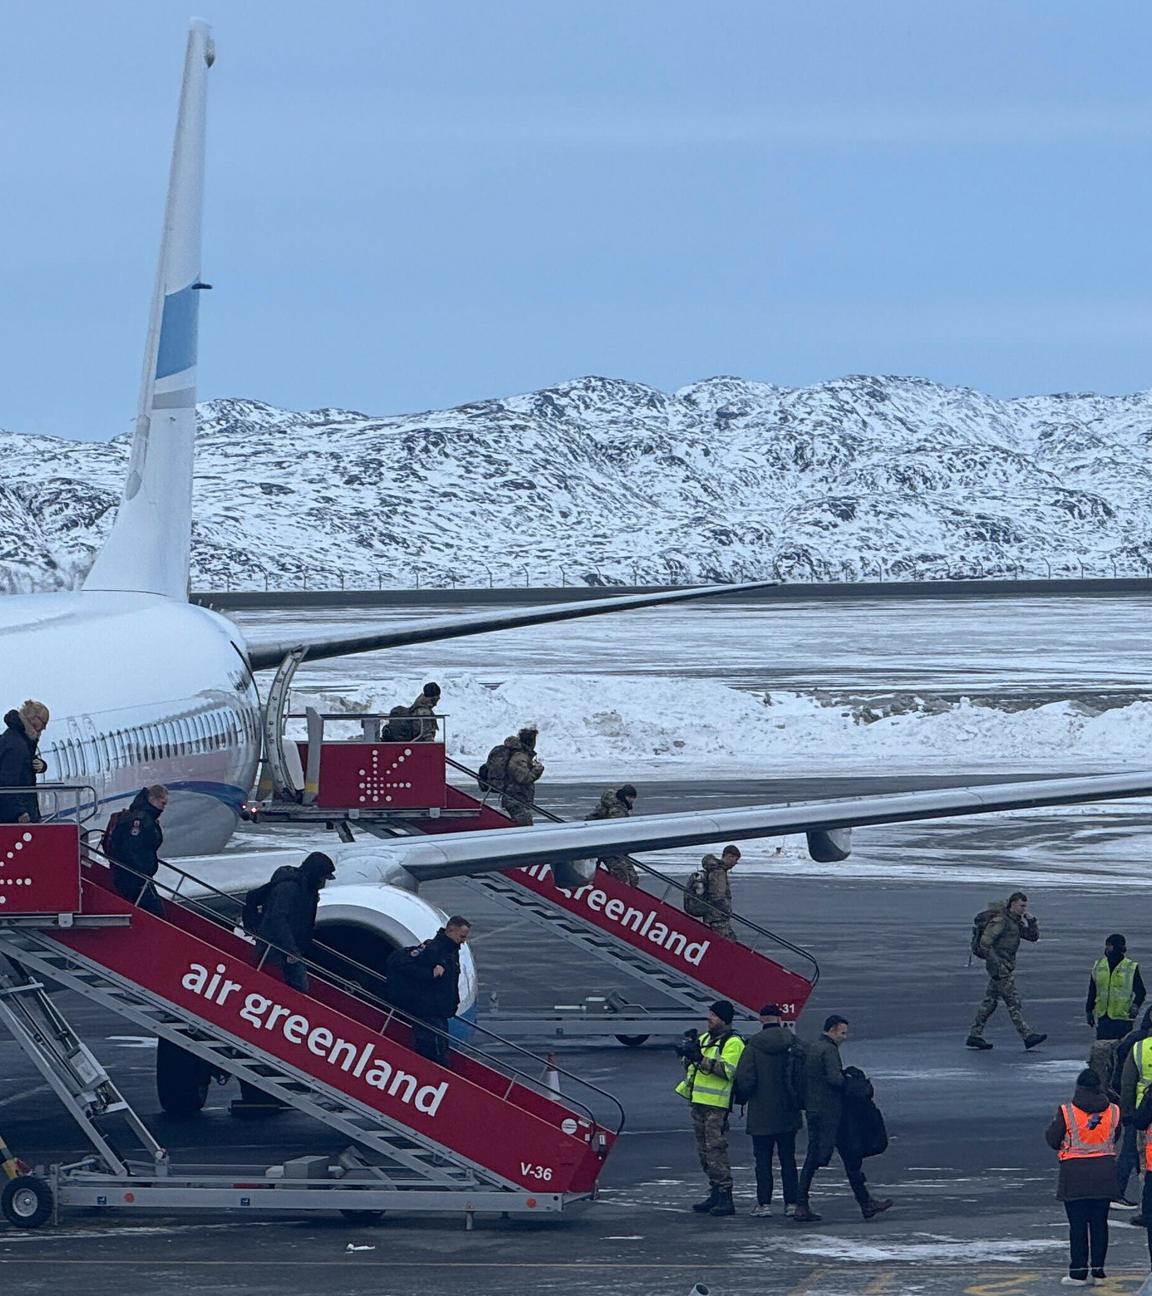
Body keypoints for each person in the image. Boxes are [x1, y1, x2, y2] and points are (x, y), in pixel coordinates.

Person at [794, 1015, 892, 1223]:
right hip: (830, 1112)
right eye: (842, 1033)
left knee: (838, 1155)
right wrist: (853, 1084)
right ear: (831, 1030)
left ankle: (865, 1202)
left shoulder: (813, 1047)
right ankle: (802, 1203)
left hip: (815, 1109)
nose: (844, 1037)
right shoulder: (828, 1050)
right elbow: (834, 1079)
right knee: (826, 1156)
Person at [1045, 1068, 1121, 1286]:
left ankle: (1078, 1273)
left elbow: (1052, 1139)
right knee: (1100, 1224)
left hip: (1074, 1175)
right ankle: (1098, 1272)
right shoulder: (1113, 1110)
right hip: (1104, 1174)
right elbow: (1115, 1134)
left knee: (1078, 1226)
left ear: (1079, 1087)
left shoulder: (1067, 1111)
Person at [675, 999, 745, 1218]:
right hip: (699, 1102)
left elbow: (728, 1071)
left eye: (713, 1015)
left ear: (724, 1019)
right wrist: (686, 1053)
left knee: (716, 1149)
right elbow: (692, 1067)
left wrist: (699, 1057)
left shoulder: (733, 1043)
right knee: (704, 1151)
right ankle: (715, 1190)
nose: (709, 1019)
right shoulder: (705, 1039)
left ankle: (725, 1194)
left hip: (717, 1105)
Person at [733, 1003, 802, 1217]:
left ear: (761, 1019)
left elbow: (745, 1078)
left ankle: (764, 1204)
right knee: (788, 1159)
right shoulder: (793, 1042)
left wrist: (742, 1097)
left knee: (763, 1160)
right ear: (780, 1019)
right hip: (788, 1111)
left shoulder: (754, 1045)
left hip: (761, 1112)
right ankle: (792, 1203)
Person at [966, 891, 1047, 1052]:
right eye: (1021, 906)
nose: (1024, 909)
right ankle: (1027, 1035)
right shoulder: (1001, 921)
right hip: (1000, 968)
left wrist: (1032, 921)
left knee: (990, 1002)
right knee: (1013, 1002)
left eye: (1025, 906)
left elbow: (1032, 937)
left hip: (1004, 966)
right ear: (1013, 904)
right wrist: (996, 965)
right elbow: (985, 944)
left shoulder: (1015, 922)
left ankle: (975, 1035)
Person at [386, 916, 471, 1066]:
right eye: (462, 936)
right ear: (451, 930)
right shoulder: (433, 949)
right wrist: (429, 974)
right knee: (433, 1054)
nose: (463, 941)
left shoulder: (451, 951)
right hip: (429, 1011)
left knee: (441, 1051)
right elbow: (403, 965)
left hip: (440, 1012)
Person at [245, 852, 336, 992]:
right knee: (294, 987)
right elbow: (278, 919)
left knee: (289, 986)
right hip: (277, 948)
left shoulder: (305, 888)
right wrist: (291, 950)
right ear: (316, 874)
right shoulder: (290, 888)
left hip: (287, 948)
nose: (323, 883)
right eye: (323, 878)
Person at [106, 785, 169, 917]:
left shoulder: (145, 818)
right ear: (152, 799)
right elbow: (131, 848)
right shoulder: (140, 820)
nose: (163, 808)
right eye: (162, 803)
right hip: (134, 877)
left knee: (154, 909)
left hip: (135, 876)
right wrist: (141, 872)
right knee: (157, 912)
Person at [1120, 1007, 1152, 1218]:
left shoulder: (1139, 1048)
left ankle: (1146, 1210)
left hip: (1144, 1115)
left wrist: (1126, 1114)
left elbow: (1128, 1084)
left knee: (1144, 1164)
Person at [1087, 934, 1145, 1042]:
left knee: (1121, 1048)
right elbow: (1093, 991)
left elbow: (1141, 992)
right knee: (1103, 1048)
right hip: (1104, 1018)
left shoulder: (1130, 967)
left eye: (1109, 945)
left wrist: (1135, 1006)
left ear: (1117, 947)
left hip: (1122, 1018)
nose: (1107, 948)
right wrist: (1089, 1011)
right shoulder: (1099, 965)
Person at [0, 700, 48, 824]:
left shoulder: (20, 738)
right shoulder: (16, 745)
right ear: (33, 718)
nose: (44, 728)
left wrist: (41, 765)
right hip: (13, 816)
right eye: (43, 723)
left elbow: (23, 764)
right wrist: (19, 812)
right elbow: (7, 781)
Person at [587, 784, 638, 886]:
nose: (632, 801)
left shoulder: (611, 804)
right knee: (624, 876)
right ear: (626, 797)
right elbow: (615, 831)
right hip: (606, 845)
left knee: (591, 870)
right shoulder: (618, 810)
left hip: (597, 841)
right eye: (631, 797)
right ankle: (623, 890)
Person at [687, 846, 741, 938]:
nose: (735, 863)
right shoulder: (718, 872)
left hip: (713, 915)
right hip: (717, 916)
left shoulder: (715, 869)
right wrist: (726, 909)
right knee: (727, 941)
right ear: (729, 856)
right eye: (735, 860)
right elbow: (717, 894)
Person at [502, 726, 544, 826]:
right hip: (516, 799)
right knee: (524, 826)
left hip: (518, 799)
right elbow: (523, 778)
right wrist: (537, 770)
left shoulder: (523, 755)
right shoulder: (520, 756)